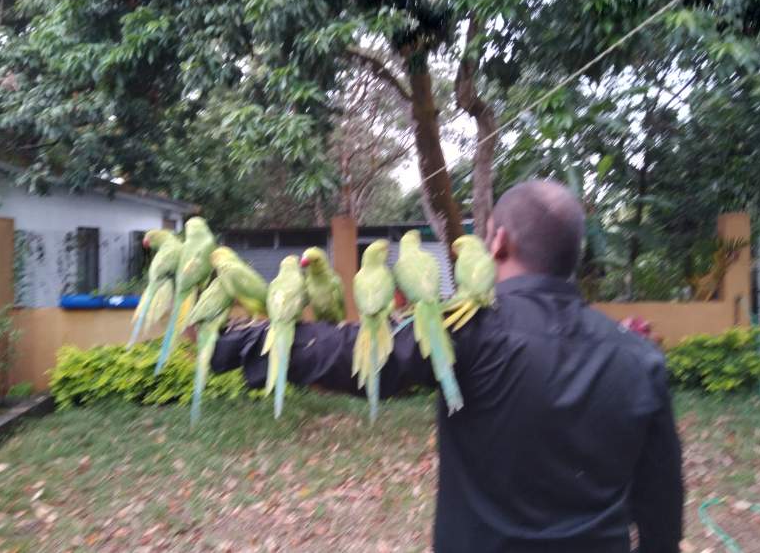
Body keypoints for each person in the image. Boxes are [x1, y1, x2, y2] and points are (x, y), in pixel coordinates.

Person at [210, 180, 684, 553]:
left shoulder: (469, 332)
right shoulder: (640, 359)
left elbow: (351, 351)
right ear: (574, 258)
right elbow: (662, 503)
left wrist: (230, 343)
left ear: (497, 243)